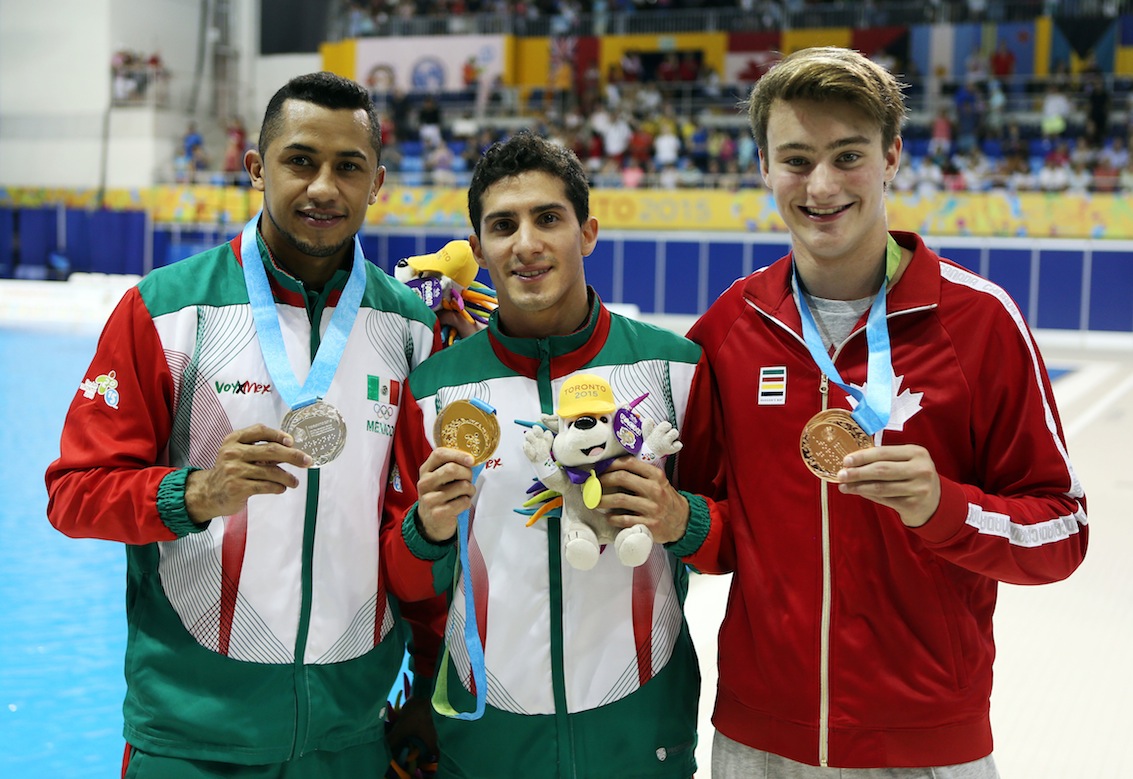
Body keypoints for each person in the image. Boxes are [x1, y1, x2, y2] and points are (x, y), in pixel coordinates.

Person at [677, 47, 1088, 778]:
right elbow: (717, 530)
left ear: (892, 155)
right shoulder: (731, 326)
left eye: (847, 155)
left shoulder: (979, 321)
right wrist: (676, 519)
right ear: (763, 166)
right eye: (797, 160)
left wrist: (944, 506)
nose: (822, 185)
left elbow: (1061, 530)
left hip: (926, 742)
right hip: (759, 741)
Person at [45, 71, 445, 777]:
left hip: (350, 735)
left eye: (348, 166)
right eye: (300, 160)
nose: (324, 186)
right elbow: (74, 494)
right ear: (257, 168)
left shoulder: (411, 331)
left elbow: (424, 530)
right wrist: (193, 493)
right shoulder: (165, 312)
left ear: (377, 183)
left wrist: (427, 682)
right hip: (192, 735)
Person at [380, 131, 708, 778]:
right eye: (503, 225)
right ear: (477, 249)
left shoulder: (675, 372)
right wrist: (426, 530)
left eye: (547, 218)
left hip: (641, 734)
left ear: (586, 232)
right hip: (485, 739)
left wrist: (681, 518)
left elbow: (729, 536)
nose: (525, 243)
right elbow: (404, 576)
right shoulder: (433, 391)